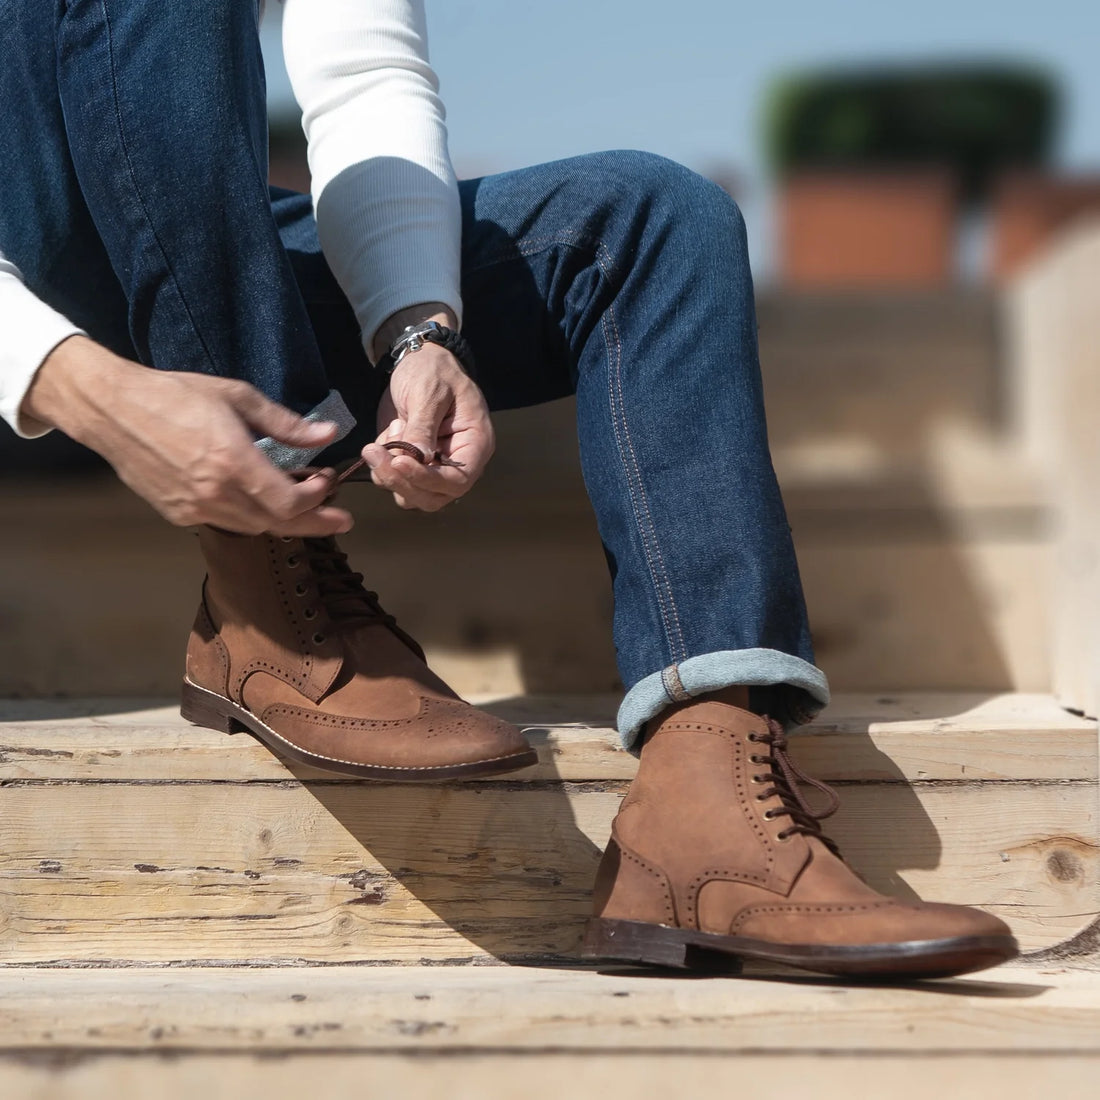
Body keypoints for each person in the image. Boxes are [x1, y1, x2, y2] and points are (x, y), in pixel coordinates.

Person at [0, 0, 1017, 978]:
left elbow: (363, 71)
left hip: (195, 255)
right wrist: (68, 377)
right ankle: (266, 576)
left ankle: (705, 809)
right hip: (29, 321)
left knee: (650, 219)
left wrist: (415, 325)